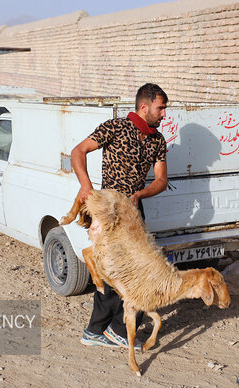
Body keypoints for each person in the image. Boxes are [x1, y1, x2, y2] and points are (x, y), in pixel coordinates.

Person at [70, 83, 169, 349]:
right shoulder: (114, 128)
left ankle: (100, 331)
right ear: (144, 106)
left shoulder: (157, 140)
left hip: (135, 212)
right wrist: (85, 185)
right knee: (115, 272)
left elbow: (161, 180)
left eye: (164, 109)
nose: (163, 115)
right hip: (109, 212)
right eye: (160, 109)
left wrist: (141, 194)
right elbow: (78, 151)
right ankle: (110, 330)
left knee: (132, 272)